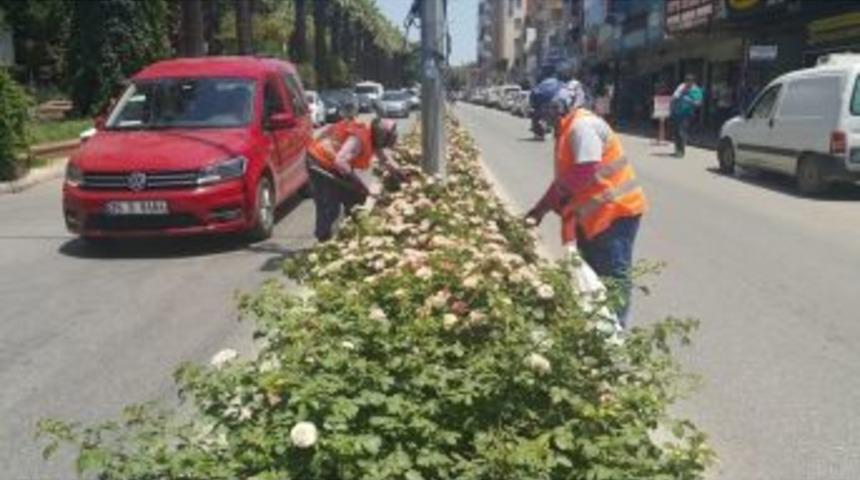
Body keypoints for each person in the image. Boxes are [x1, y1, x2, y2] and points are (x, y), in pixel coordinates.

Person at [525, 91, 647, 328]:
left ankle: (616, 335)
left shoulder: (582, 127)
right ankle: (597, 329)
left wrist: (553, 204)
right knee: (591, 277)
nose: (541, 119)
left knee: (613, 277)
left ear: (557, 107)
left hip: (616, 211)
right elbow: (563, 180)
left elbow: (584, 171)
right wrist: (540, 210)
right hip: (592, 215)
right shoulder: (566, 130)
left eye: (544, 112)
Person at [306, 101, 405, 242]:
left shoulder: (371, 137)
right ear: (381, 137)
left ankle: (352, 231)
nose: (383, 146)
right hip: (318, 161)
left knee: (356, 197)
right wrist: (355, 181)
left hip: (334, 163)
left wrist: (398, 173)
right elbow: (340, 161)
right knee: (329, 205)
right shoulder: (359, 138)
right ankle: (323, 238)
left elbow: (384, 158)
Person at [670, 74, 703, 158]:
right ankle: (677, 149)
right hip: (677, 113)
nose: (687, 83)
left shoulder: (696, 91)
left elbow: (698, 103)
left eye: (689, 82)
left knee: (681, 131)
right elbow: (674, 98)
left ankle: (681, 151)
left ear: (692, 82)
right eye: (686, 81)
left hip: (687, 113)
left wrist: (690, 101)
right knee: (676, 132)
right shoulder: (681, 88)